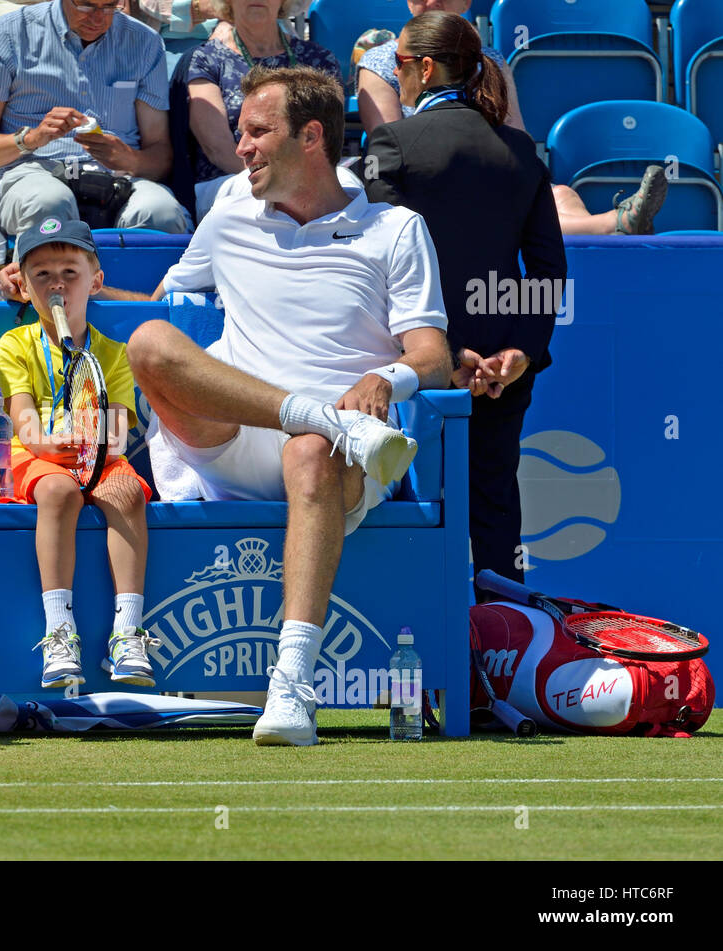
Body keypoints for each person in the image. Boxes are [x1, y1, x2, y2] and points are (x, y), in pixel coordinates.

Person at [126, 66, 452, 746]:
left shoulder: (395, 229)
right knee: (151, 342)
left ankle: (292, 682)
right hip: (241, 438)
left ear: (310, 137)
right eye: (240, 132)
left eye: (255, 132)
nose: (239, 147)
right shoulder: (226, 212)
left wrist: (388, 380)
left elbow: (432, 355)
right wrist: (56, 286)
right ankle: (314, 415)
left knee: (310, 449)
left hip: (341, 454)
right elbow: (164, 306)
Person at [362, 11, 564, 585]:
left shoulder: (390, 143)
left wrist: (444, 357)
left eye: (397, 64)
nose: (393, 74)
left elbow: (373, 260)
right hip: (501, 365)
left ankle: (418, 647)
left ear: (424, 69)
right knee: (495, 506)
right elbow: (549, 268)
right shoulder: (521, 149)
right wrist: (518, 354)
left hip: (413, 362)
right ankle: (504, 651)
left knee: (408, 508)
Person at [0, 216, 158, 688]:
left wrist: (93, 445)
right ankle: (60, 631)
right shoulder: (14, 345)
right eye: (42, 274)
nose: (57, 284)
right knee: (60, 492)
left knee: (128, 492)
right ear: (23, 287)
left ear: (96, 281)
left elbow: (119, 432)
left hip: (100, 454)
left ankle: (127, 633)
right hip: (37, 455)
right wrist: (52, 444)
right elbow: (21, 421)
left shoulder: (115, 353)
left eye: (69, 272)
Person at [356, 0, 667, 235]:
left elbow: (515, 139)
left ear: (466, 2)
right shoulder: (383, 62)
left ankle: (615, 228)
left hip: (488, 174)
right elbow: (393, 146)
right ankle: (615, 223)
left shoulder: (489, 60)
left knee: (563, 195)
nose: (431, 5)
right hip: (428, 184)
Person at [0, 0, 191, 238]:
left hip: (120, 180)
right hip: (34, 173)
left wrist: (130, 159)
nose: (98, 18)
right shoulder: (10, 32)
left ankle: (136, 276)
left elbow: (161, 158)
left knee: (162, 212)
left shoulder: (144, 42)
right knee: (49, 203)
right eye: (86, 6)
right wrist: (31, 138)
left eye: (110, 6)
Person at [187, 0, 340, 217]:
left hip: (307, 176)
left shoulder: (319, 60)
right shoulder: (206, 59)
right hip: (233, 178)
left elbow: (329, 138)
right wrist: (274, 175)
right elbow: (217, 148)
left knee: (346, 181)